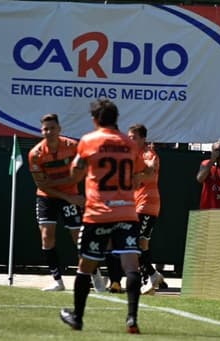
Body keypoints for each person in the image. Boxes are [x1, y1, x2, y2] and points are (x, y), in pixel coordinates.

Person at [59, 99, 146, 333]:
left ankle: (77, 317)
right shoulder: (129, 143)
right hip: (127, 212)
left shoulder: (89, 141)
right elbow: (139, 174)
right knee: (131, 267)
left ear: (95, 119)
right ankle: (131, 318)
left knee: (85, 266)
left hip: (98, 213)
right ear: (116, 118)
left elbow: (76, 174)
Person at [29, 113, 106, 292]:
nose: (49, 132)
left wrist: (62, 186)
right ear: (41, 131)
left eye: (52, 128)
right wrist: (68, 194)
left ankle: (95, 275)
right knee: (47, 237)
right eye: (45, 129)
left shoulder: (73, 147)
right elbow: (42, 185)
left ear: (59, 129)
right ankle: (57, 280)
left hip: (71, 195)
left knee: (78, 238)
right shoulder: (35, 154)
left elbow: (80, 174)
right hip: (47, 197)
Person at [127, 124, 166, 295]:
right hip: (136, 204)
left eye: (134, 137)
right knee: (142, 244)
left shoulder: (150, 154)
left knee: (135, 244)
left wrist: (136, 175)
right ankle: (149, 280)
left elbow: (150, 172)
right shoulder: (131, 156)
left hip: (147, 204)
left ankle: (151, 275)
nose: (130, 140)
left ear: (143, 139)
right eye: (129, 137)